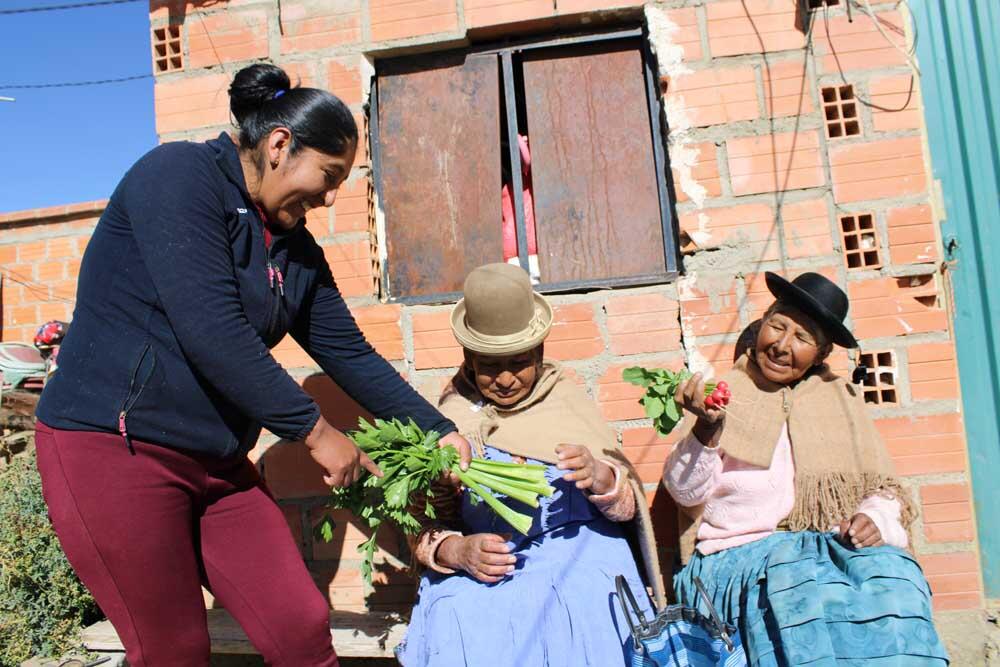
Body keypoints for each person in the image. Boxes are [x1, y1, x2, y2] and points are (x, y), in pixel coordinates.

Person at [33, 63, 470, 667]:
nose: (331, 196)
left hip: (216, 465)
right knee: (173, 649)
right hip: (113, 449)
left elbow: (349, 353)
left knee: (299, 625)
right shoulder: (178, 178)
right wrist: (315, 433)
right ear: (280, 145)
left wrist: (439, 429)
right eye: (329, 175)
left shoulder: (294, 249)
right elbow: (212, 331)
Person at [662, 272, 949, 666]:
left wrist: (873, 517)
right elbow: (684, 492)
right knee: (798, 587)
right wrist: (706, 430)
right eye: (776, 326)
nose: (781, 345)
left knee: (893, 573)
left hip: (826, 551)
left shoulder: (841, 402)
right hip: (738, 560)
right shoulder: (723, 396)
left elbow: (885, 490)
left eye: (801, 337)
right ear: (761, 325)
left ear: (821, 352)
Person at [395, 263, 665, 667]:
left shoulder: (568, 402)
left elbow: (629, 507)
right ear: (468, 359)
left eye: (518, 362)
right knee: (454, 609)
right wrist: (458, 550)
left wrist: (601, 478)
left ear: (539, 353)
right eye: (488, 365)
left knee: (590, 597)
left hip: (581, 554)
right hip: (496, 566)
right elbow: (423, 525)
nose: (504, 379)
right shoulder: (451, 421)